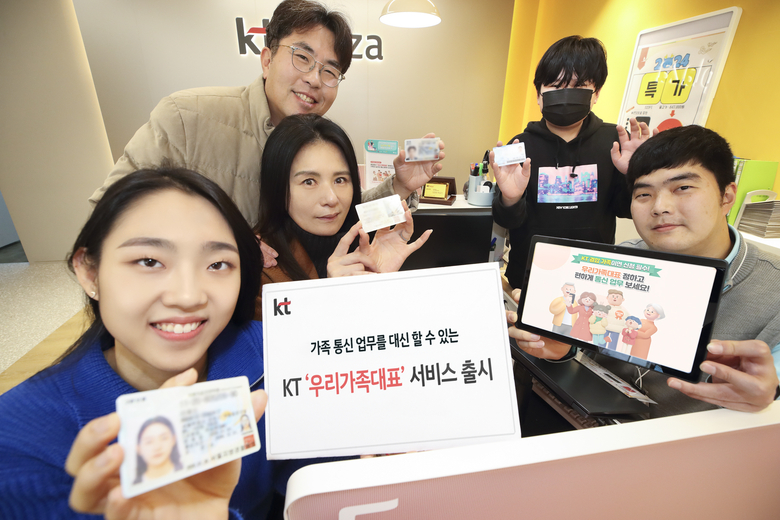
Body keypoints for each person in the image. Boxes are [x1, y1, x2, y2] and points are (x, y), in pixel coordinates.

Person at [0, 169, 306, 519]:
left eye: (218, 264)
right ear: (89, 272)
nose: (188, 296)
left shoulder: (274, 354)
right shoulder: (17, 435)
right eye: (149, 261)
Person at [88, 0, 445, 235]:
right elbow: (107, 213)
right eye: (302, 57)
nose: (314, 79)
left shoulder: (319, 140)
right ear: (267, 60)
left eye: (330, 71)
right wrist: (223, 249)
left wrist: (400, 187)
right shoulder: (186, 118)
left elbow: (345, 221)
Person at [508, 125, 780, 415]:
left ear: (726, 196)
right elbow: (586, 352)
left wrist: (771, 397)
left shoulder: (772, 291)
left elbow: (767, 387)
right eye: (644, 194)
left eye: (683, 188)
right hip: (588, 423)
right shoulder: (619, 261)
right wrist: (562, 350)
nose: (660, 207)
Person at [491, 35, 650, 289]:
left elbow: (626, 210)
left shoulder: (616, 141)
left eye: (578, 86)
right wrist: (510, 199)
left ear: (596, 93)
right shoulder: (517, 145)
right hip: (529, 273)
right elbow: (504, 221)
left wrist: (636, 175)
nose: (565, 94)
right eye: (555, 86)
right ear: (539, 95)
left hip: (592, 274)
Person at [254, 114, 431, 318]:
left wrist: (380, 285)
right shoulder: (261, 266)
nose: (331, 199)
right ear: (277, 187)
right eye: (309, 181)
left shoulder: (367, 243)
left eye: (340, 180)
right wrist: (331, 297)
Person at [134, 416, 182, 484]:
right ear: (138, 448)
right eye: (149, 441)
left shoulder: (186, 472)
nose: (157, 447)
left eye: (164, 438)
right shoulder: (136, 485)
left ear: (173, 440)